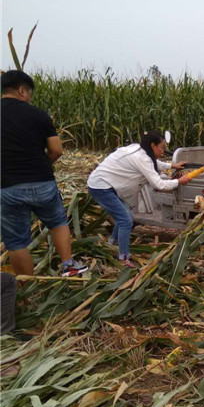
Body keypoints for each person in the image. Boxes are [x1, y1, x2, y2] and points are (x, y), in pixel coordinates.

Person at [1, 70, 88, 277]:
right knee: (58, 223)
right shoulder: (38, 114)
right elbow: (56, 150)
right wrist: (43, 163)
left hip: (8, 186)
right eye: (29, 94)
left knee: (16, 242)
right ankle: (68, 265)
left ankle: (28, 286)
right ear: (22, 90)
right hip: (42, 182)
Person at [87, 131, 190, 268]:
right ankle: (123, 258)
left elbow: (153, 163)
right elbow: (159, 184)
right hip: (101, 187)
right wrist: (179, 181)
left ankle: (112, 244)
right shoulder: (141, 158)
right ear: (152, 146)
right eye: (161, 147)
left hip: (107, 184)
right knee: (125, 220)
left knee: (126, 217)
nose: (163, 151)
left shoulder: (139, 150)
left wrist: (171, 166)